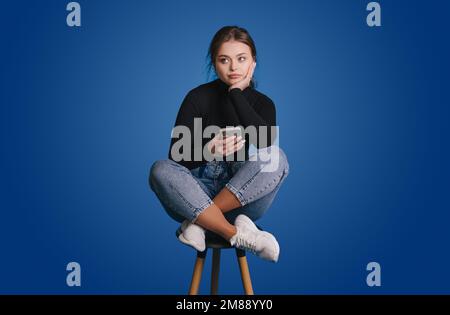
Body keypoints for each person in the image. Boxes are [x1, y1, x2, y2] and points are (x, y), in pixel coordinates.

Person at [149, 26, 289, 262]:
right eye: (224, 60)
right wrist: (207, 150)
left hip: (243, 202)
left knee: (277, 158)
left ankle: (200, 223)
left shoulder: (263, 103)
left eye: (241, 59)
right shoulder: (197, 97)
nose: (234, 68)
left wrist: (236, 93)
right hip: (194, 193)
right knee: (159, 169)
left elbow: (264, 141)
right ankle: (238, 233)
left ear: (253, 62)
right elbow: (175, 157)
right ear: (214, 64)